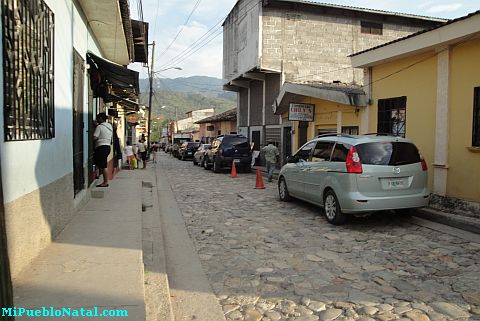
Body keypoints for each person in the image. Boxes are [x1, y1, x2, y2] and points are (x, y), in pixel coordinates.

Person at [93, 112, 113, 187]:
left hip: (101, 147)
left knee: (104, 165)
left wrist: (95, 128)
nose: (96, 119)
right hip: (108, 146)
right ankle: (97, 175)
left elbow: (95, 137)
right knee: (100, 163)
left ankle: (105, 182)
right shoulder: (109, 126)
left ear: (100, 118)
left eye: (97, 118)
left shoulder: (99, 127)